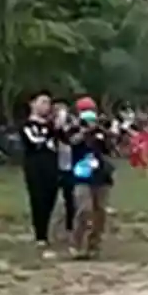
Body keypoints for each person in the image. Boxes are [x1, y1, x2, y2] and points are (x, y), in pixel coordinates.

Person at [70, 109, 115, 258]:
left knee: (99, 211)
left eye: (92, 121)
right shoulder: (75, 133)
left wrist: (104, 132)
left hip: (101, 177)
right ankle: (77, 244)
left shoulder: (101, 135)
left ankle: (94, 245)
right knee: (84, 210)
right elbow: (72, 141)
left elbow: (110, 149)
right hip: (82, 177)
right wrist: (84, 132)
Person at [20, 92, 61, 256]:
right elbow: (35, 142)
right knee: (38, 198)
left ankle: (47, 229)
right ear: (33, 104)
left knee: (51, 196)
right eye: (43, 102)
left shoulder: (51, 125)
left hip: (52, 165)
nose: (46, 106)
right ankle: (40, 235)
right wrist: (52, 129)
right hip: (35, 166)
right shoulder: (27, 125)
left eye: (48, 103)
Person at [52, 100, 79, 237]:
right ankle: (52, 227)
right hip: (55, 167)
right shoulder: (51, 128)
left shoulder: (72, 126)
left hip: (69, 167)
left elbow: (69, 138)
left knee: (70, 198)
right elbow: (58, 134)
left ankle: (70, 225)